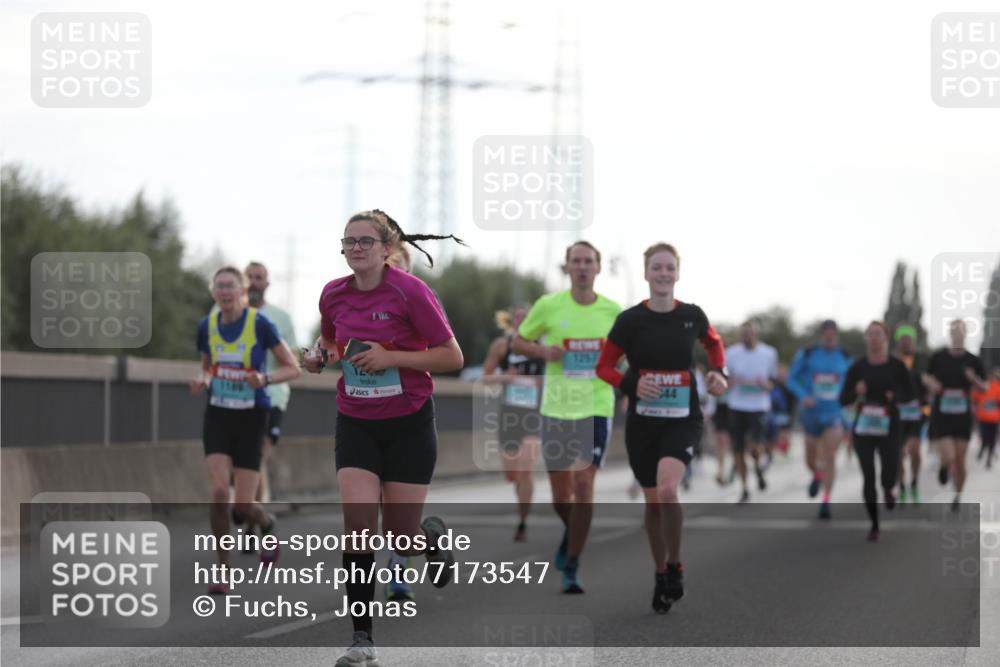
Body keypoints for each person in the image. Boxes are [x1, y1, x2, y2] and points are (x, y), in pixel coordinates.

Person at [302, 209, 465, 666]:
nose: (356, 249)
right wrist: (319, 356)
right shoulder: (333, 294)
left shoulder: (411, 291)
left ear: (387, 248)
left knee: (400, 536)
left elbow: (452, 356)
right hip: (355, 419)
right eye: (349, 241)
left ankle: (429, 537)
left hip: (409, 422)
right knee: (358, 528)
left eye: (365, 241)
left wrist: (393, 357)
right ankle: (362, 639)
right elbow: (333, 343)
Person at [596, 242, 727, 612]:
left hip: (683, 419)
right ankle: (659, 571)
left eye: (670, 268)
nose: (664, 274)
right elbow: (604, 366)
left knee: (669, 490)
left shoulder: (692, 316)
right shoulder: (630, 320)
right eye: (657, 268)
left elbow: (714, 345)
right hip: (644, 422)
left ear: (678, 273)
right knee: (653, 502)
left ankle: (675, 565)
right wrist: (630, 383)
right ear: (646, 273)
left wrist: (720, 373)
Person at [512, 241, 621, 594]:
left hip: (595, 405)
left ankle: (572, 562)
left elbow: (626, 354)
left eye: (589, 261)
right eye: (577, 261)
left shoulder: (613, 311)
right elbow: (518, 342)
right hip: (556, 407)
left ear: (599, 268)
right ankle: (571, 536)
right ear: (567, 267)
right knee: (561, 496)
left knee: (584, 483)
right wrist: (545, 350)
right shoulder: (548, 305)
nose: (583, 266)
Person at [189, 267, 301, 592]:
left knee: (242, 505)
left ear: (241, 291)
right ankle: (223, 570)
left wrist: (264, 379)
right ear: (213, 292)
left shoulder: (260, 324)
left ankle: (264, 521)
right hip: (218, 416)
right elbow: (208, 367)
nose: (224, 291)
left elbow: (292, 368)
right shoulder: (206, 326)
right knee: (219, 493)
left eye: (230, 286)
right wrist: (203, 380)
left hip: (252, 418)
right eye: (219, 285)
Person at [839, 321, 916, 541]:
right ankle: (874, 524)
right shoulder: (857, 367)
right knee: (868, 476)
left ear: (885, 338)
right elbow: (843, 399)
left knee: (889, 472)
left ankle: (889, 489)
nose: (874, 338)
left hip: (890, 425)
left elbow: (911, 393)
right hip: (863, 426)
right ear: (865, 339)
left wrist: (896, 397)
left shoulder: (897, 366)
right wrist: (856, 391)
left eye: (878, 334)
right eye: (870, 334)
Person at [482, 305, 545, 541]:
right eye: (518, 317)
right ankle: (520, 491)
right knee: (512, 474)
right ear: (512, 321)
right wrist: (505, 377)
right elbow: (485, 377)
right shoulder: (502, 346)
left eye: (527, 318)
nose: (522, 321)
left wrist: (544, 383)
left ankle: (523, 521)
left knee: (527, 468)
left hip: (533, 415)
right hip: (509, 416)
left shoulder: (542, 348)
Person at [244, 261, 298, 504]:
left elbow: (293, 361)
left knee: (256, 459)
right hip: (236, 398)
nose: (254, 282)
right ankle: (260, 521)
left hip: (271, 396)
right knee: (247, 464)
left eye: (258, 277)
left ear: (266, 284)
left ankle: (252, 527)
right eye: (249, 277)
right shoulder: (223, 313)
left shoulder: (280, 318)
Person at [787, 320, 852, 518]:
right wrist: (803, 396)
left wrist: (850, 397)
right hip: (811, 413)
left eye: (833, 334)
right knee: (811, 458)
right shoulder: (807, 354)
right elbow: (791, 379)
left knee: (830, 454)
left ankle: (826, 500)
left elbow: (853, 381)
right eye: (826, 334)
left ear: (837, 336)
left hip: (834, 412)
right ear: (821, 335)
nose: (830, 338)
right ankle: (816, 473)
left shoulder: (845, 356)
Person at [924, 319, 988, 511]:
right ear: (950, 334)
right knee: (950, 455)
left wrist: (973, 379)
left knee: (960, 459)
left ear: (965, 334)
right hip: (942, 414)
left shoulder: (972, 360)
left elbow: (985, 387)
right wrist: (931, 384)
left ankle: (957, 496)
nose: (957, 334)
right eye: (954, 331)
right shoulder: (939, 357)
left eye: (961, 331)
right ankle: (944, 466)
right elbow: (926, 376)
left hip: (962, 415)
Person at [725, 320, 778, 502]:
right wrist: (729, 383)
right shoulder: (731, 353)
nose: (746, 336)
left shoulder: (769, 353)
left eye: (750, 333)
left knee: (755, 448)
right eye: (743, 333)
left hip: (758, 406)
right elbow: (724, 378)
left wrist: (766, 385)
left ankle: (757, 466)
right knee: (738, 450)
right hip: (736, 405)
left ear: (756, 333)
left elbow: (773, 381)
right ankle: (745, 488)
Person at [892, 324, 928, 503]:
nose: (906, 342)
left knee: (914, 449)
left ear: (913, 341)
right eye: (902, 339)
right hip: (897, 414)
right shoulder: (892, 361)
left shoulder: (921, 360)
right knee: (898, 454)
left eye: (908, 339)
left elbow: (929, 382)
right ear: (898, 342)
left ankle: (914, 482)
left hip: (916, 414)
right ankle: (902, 486)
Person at [973, 367, 1000, 468]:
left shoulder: (998, 387)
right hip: (983, 418)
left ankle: (989, 459)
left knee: (992, 439)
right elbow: (975, 399)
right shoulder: (981, 386)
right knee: (984, 437)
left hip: (995, 418)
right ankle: (982, 448)